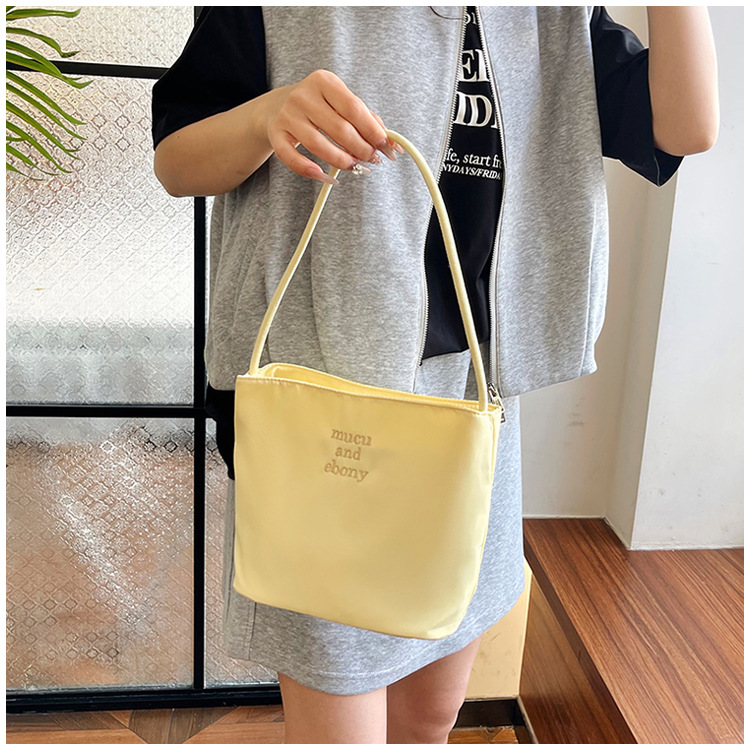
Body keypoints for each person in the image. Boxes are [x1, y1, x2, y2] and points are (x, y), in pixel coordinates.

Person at [151, 6, 717, 743]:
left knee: (429, 716)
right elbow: (177, 162)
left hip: (473, 398)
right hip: (323, 400)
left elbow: (684, 128)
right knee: (342, 722)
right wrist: (267, 116)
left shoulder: (551, 15)